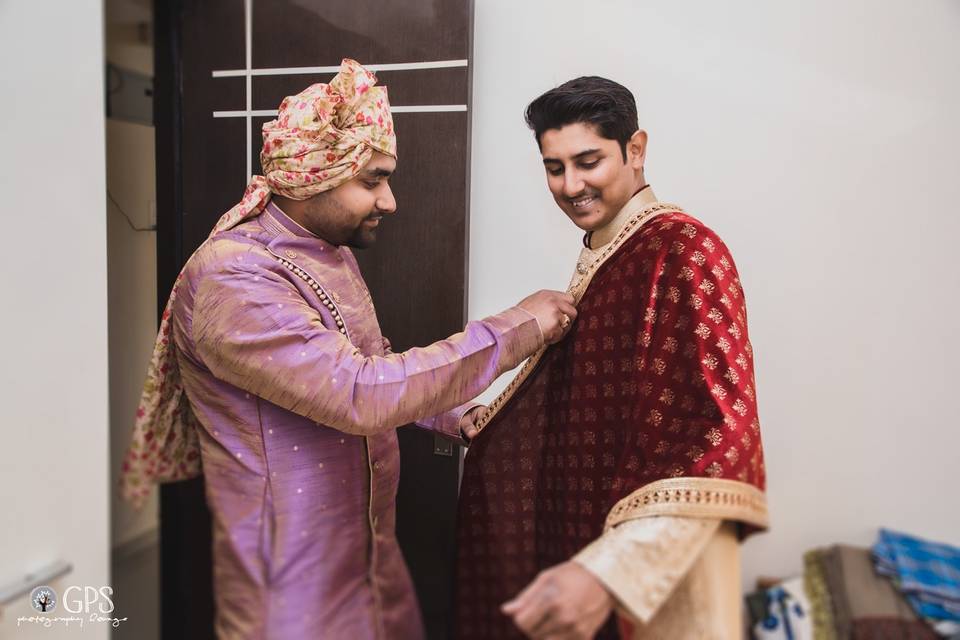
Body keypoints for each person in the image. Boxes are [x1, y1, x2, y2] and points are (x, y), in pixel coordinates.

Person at [119, 59, 576, 639]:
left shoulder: (328, 252)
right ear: (313, 174)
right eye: (371, 181)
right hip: (291, 590)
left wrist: (460, 416)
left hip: (368, 560)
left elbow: (373, 362)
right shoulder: (234, 279)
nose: (389, 202)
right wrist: (517, 328)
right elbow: (357, 391)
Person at [455, 76, 769, 639]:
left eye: (588, 161)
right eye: (554, 167)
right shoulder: (614, 251)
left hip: (638, 578)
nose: (571, 185)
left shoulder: (683, 250)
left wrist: (609, 573)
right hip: (584, 543)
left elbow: (716, 437)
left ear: (636, 149)